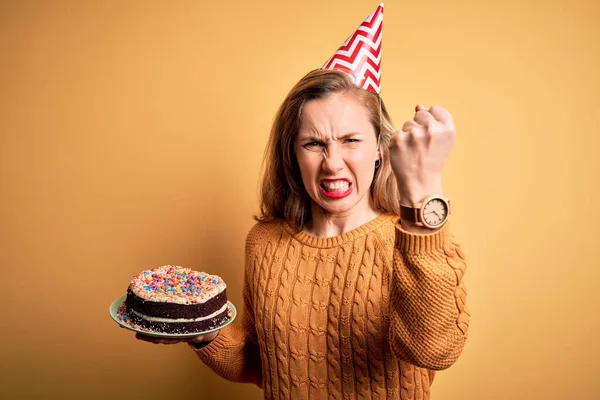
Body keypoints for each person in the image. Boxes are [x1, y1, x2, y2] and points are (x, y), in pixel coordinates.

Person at [136, 5, 469, 399]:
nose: (332, 163)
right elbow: (263, 364)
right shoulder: (264, 243)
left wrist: (423, 186)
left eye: (351, 140)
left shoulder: (417, 241)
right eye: (314, 143)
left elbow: (434, 350)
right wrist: (203, 331)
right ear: (292, 153)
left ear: (380, 149)